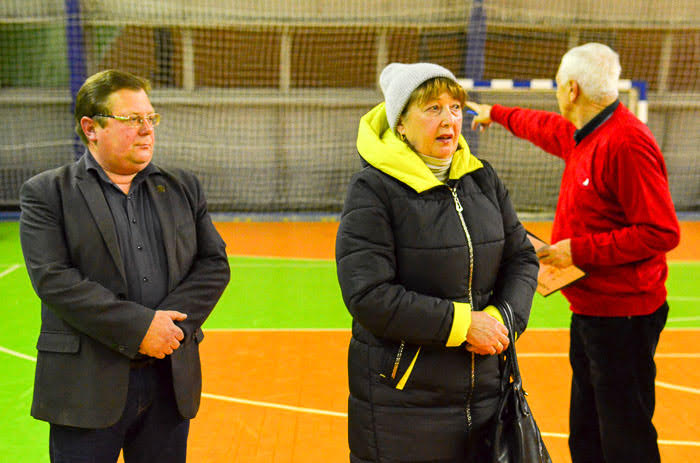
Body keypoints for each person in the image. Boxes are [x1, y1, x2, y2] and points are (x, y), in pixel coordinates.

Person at [466, 43, 681, 463]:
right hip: (591, 309)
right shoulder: (585, 132)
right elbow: (544, 126)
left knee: (625, 432)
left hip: (624, 317)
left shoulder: (626, 144)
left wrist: (577, 250)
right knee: (587, 430)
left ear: (572, 90)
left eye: (559, 86)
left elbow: (661, 231)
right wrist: (497, 113)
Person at [19, 69, 231, 462]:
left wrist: (171, 330)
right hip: (85, 388)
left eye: (150, 118)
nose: (146, 129)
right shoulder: (47, 193)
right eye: (132, 120)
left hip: (169, 379)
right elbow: (54, 280)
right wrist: (140, 328)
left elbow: (213, 265)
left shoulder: (183, 187)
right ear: (91, 127)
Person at [335, 62, 539, 462]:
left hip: (485, 400)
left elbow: (522, 259)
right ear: (401, 126)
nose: (449, 120)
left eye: (455, 108)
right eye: (432, 109)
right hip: (403, 407)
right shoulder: (372, 190)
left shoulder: (482, 179)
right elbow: (368, 294)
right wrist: (463, 325)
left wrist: (502, 318)